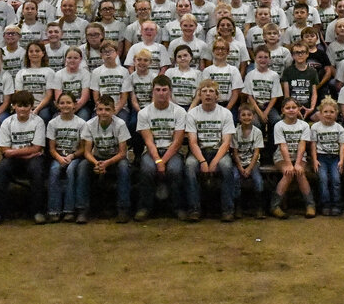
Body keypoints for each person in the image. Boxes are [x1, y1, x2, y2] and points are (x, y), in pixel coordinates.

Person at [136, 75, 187, 221]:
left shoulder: (179, 112)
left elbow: (177, 142)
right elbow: (148, 141)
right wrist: (158, 161)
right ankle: (144, 208)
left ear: (170, 91)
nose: (161, 93)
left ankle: (178, 207)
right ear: (152, 92)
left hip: (173, 152)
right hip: (152, 152)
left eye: (164, 90)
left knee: (175, 170)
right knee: (146, 170)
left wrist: (163, 161)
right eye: (158, 90)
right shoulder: (144, 113)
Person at [184, 79, 236, 222]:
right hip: (198, 152)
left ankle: (228, 209)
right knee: (189, 166)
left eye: (211, 91)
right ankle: (194, 209)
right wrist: (202, 160)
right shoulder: (192, 114)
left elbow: (226, 143)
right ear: (199, 95)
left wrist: (214, 162)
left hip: (218, 151)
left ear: (217, 96)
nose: (207, 94)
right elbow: (192, 142)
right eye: (204, 91)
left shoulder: (225, 113)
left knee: (226, 166)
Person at [78, 94, 132, 223]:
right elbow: (87, 152)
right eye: (100, 109)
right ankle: (82, 209)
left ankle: (123, 209)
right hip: (97, 158)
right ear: (96, 110)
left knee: (124, 167)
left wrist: (106, 163)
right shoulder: (89, 124)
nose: (104, 112)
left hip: (116, 158)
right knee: (82, 167)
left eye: (107, 109)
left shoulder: (120, 124)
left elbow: (122, 153)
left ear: (114, 110)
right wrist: (97, 163)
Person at [46, 91, 87, 223]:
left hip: (75, 157)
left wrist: (72, 156)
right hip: (58, 156)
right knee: (54, 170)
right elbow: (51, 148)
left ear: (74, 105)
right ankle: (54, 210)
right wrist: (59, 158)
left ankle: (69, 210)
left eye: (69, 102)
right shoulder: (52, 123)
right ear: (57, 105)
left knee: (70, 171)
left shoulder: (81, 123)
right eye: (62, 103)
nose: (65, 105)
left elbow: (83, 148)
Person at [310, 98, 344, 217]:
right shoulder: (315, 127)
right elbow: (313, 145)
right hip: (321, 158)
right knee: (323, 180)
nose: (328, 114)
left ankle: (337, 204)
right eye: (325, 112)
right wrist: (314, 160)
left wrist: (341, 160)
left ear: (336, 113)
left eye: (332, 112)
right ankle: (325, 205)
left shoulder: (339, 128)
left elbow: (342, 146)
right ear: (320, 113)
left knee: (336, 180)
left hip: (335, 158)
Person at [232, 104, 266, 219]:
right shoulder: (235, 132)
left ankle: (259, 207)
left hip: (253, 162)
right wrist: (241, 168)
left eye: (249, 115)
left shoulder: (257, 132)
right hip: (239, 162)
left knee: (258, 180)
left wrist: (249, 168)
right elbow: (235, 153)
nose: (246, 117)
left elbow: (256, 153)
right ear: (239, 117)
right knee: (235, 177)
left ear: (254, 116)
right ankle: (238, 207)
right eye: (243, 115)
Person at [16, 41, 57, 124]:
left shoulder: (49, 72)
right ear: (27, 54)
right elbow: (19, 94)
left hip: (43, 106)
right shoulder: (21, 73)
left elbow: (49, 95)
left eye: (37, 51)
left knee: (44, 116)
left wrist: (37, 109)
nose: (34, 53)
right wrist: (27, 108)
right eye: (31, 51)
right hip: (25, 106)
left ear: (43, 53)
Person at [54, 46, 92, 121]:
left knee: (83, 117)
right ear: (65, 59)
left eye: (75, 58)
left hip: (80, 105)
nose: (72, 60)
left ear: (80, 59)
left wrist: (72, 111)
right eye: (69, 58)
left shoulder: (85, 74)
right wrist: (65, 109)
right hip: (64, 106)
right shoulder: (59, 74)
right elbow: (58, 97)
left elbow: (85, 97)